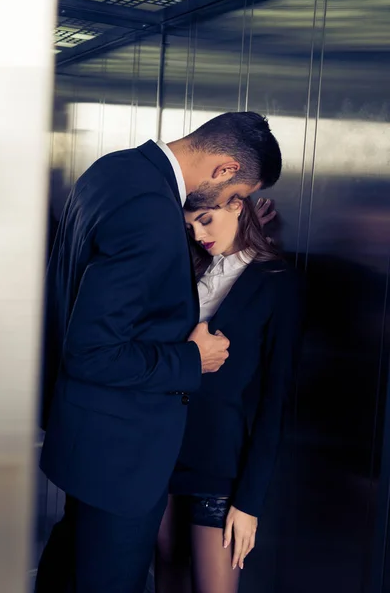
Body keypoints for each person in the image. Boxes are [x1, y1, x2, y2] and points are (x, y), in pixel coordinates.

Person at [36, 111, 282, 593]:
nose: (236, 205)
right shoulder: (150, 209)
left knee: (68, 570)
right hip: (122, 458)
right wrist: (194, 360)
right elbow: (93, 351)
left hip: (86, 441)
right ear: (225, 168)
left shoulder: (115, 170)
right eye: (236, 196)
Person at [155, 195, 304, 593]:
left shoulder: (278, 281)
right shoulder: (190, 270)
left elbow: (276, 399)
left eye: (205, 220)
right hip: (159, 456)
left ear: (238, 204)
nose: (199, 234)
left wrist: (249, 502)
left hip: (221, 469)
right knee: (166, 578)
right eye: (190, 228)